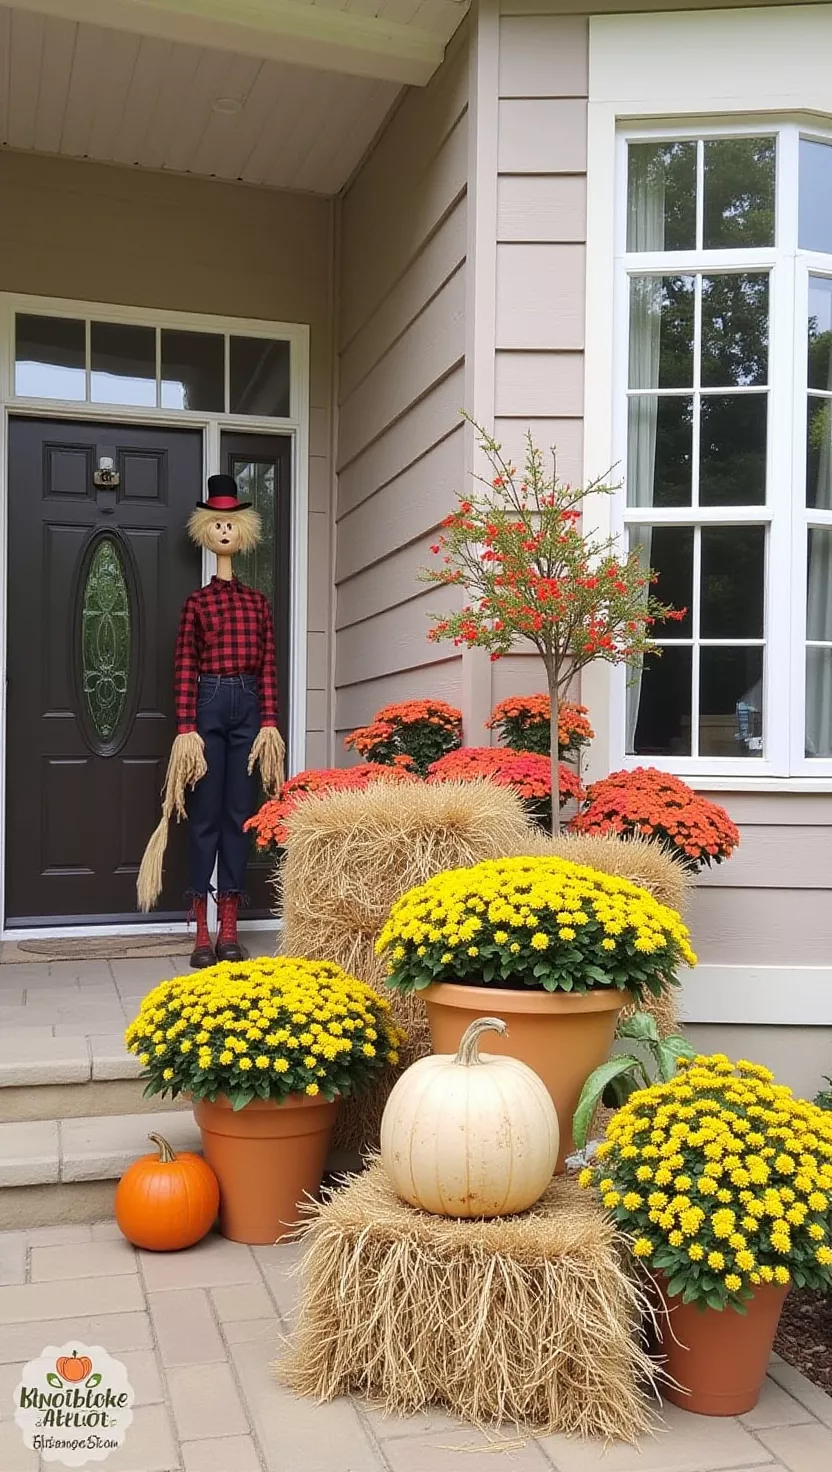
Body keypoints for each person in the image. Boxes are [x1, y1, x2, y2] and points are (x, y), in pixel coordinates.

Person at [137, 474, 284, 966]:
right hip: (208, 703)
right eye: (216, 524)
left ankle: (229, 928)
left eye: (231, 523)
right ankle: (200, 928)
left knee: (238, 816)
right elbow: (183, 666)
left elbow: (268, 666)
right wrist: (185, 730)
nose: (224, 531)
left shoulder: (257, 604)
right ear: (206, 531)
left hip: (247, 706)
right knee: (203, 817)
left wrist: (269, 721)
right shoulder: (197, 604)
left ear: (242, 532)